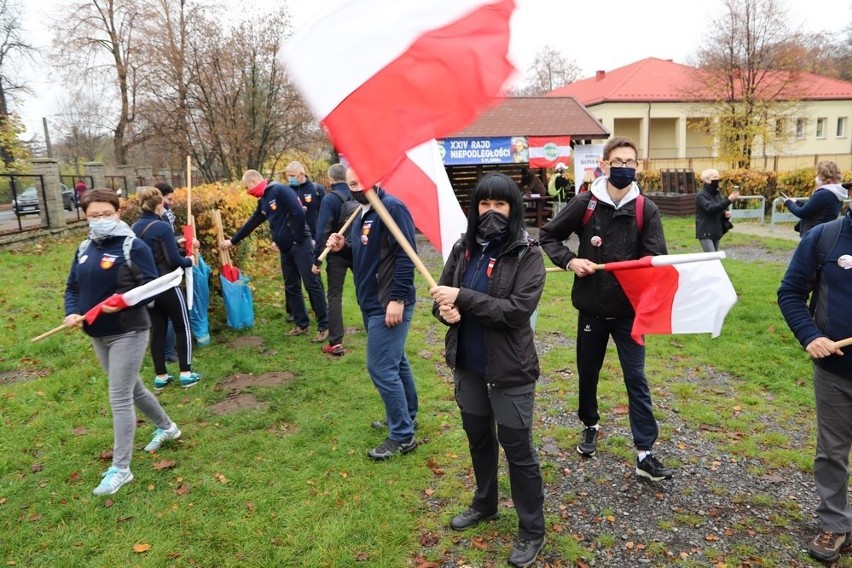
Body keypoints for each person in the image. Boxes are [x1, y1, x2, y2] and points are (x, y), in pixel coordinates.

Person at [539, 136, 674, 481]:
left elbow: (656, 257)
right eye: (618, 162)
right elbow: (548, 236)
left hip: (630, 313)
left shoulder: (645, 209)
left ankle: (645, 452)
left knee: (636, 379)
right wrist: (570, 261)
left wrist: (645, 266)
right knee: (588, 373)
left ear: (637, 167)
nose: (624, 168)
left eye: (630, 163)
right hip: (592, 310)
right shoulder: (586, 203)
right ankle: (590, 423)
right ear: (604, 164)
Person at [430, 172, 547, 568]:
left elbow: (516, 312)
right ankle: (485, 503)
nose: (491, 212)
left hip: (510, 370)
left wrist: (463, 297)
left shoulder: (527, 254)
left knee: (518, 450)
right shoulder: (463, 249)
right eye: (484, 204)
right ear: (474, 208)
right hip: (468, 364)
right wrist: (445, 312)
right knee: (479, 440)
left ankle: (532, 529)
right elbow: (442, 297)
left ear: (512, 208)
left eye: (500, 204)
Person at [63, 189, 182, 496]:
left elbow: (152, 288)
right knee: (134, 388)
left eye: (105, 214)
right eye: (93, 215)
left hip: (128, 330)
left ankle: (121, 469)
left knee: (119, 396)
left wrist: (124, 304)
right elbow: (73, 287)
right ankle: (169, 428)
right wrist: (72, 312)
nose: (99, 220)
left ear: (117, 213)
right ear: (85, 217)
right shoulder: (84, 247)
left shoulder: (133, 246)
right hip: (96, 332)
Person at [325, 167, 419, 460]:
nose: (356, 187)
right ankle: (408, 416)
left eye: (361, 182)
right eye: (352, 183)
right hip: (370, 303)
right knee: (396, 362)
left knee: (381, 368)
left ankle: (402, 436)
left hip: (387, 303)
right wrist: (343, 249)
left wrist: (398, 298)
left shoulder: (391, 207)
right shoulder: (360, 213)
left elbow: (407, 255)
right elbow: (363, 257)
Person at [778, 210, 852, 563]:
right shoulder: (825, 237)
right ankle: (835, 524)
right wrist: (811, 336)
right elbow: (790, 291)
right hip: (836, 371)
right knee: (832, 452)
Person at [222, 170, 329, 341]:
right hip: (285, 248)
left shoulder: (279, 190)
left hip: (299, 245)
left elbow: (299, 213)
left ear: (255, 180)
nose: (246, 191)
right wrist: (233, 241)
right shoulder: (263, 200)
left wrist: (297, 238)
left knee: (311, 283)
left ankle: (324, 325)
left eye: (247, 186)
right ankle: (302, 324)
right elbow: (254, 221)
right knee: (291, 286)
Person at [131, 186, 200, 390]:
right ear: (160, 205)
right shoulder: (163, 227)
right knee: (183, 326)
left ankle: (160, 376)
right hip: (167, 284)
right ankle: (186, 373)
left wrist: (175, 242)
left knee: (158, 331)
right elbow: (173, 259)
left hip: (147, 287)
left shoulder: (134, 228)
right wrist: (189, 260)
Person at [312, 163, 354, 356]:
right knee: (365, 292)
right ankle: (376, 334)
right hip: (356, 250)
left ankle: (335, 342)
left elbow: (322, 230)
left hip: (336, 253)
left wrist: (317, 258)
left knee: (334, 296)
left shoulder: (330, 199)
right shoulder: (357, 194)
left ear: (330, 179)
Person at [784, 161, 848, 238]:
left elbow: (802, 213)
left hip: (814, 235)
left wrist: (788, 203)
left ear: (824, 176)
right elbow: (813, 209)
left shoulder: (823, 194)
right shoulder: (836, 192)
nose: (817, 178)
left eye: (819, 174)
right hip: (824, 234)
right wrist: (796, 202)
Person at [154, 182, 179, 362]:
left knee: (159, 316)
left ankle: (164, 352)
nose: (169, 203)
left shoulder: (140, 224)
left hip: (155, 272)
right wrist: (186, 259)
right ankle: (168, 352)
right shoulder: (160, 221)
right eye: (167, 199)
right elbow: (167, 247)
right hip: (164, 273)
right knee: (168, 314)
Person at [695, 169, 740, 252]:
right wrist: (729, 200)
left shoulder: (717, 193)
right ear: (707, 180)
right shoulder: (701, 195)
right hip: (706, 231)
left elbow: (720, 207)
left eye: (718, 177)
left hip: (716, 230)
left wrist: (725, 213)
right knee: (712, 258)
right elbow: (711, 209)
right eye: (715, 177)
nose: (717, 179)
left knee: (714, 259)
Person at [285, 160, 325, 242]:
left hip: (313, 239)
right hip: (292, 239)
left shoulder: (316, 189)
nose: (290, 178)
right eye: (288, 176)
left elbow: (324, 214)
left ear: (302, 174)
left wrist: (319, 237)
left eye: (293, 175)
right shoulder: (285, 190)